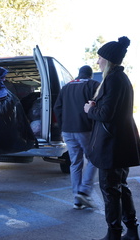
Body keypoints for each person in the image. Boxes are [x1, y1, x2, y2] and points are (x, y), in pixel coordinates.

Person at [84, 36, 140, 240]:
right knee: (121, 187)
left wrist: (89, 109)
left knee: (110, 190)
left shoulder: (112, 79)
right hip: (121, 144)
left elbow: (106, 115)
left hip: (111, 146)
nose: (98, 62)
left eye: (100, 58)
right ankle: (131, 231)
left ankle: (114, 234)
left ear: (108, 60)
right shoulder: (121, 78)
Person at [54, 65, 99, 210]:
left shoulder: (66, 87)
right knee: (94, 159)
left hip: (67, 131)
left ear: (78, 74)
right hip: (85, 129)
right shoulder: (93, 85)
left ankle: (77, 200)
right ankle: (84, 191)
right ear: (90, 75)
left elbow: (57, 108)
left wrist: (62, 127)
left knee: (75, 163)